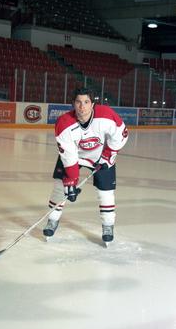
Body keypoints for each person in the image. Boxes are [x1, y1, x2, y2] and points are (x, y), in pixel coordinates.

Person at [43, 87, 129, 243]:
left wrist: (108, 155)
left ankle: (108, 225)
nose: (82, 107)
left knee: (106, 192)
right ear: (73, 104)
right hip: (74, 157)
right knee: (60, 187)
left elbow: (121, 135)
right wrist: (71, 179)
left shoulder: (106, 116)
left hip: (101, 156)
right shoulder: (64, 123)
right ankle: (52, 220)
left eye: (86, 102)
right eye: (78, 102)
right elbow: (69, 155)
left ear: (93, 104)